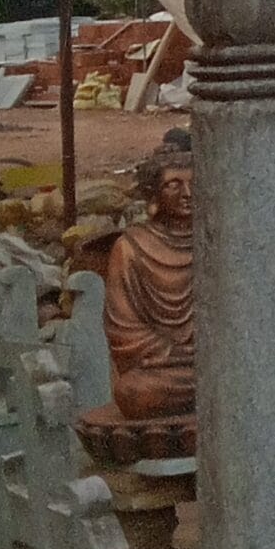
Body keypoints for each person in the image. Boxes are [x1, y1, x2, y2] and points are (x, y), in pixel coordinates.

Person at [102, 142, 196, 421]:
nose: (188, 194)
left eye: (194, 183)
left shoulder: (214, 239)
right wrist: (175, 352)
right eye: (174, 185)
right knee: (134, 393)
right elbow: (122, 329)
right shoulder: (129, 247)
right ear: (153, 193)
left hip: (215, 363)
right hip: (165, 370)